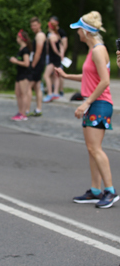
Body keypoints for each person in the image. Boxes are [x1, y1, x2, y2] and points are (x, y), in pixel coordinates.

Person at [55, 11, 118, 209]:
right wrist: (66, 76)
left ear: (86, 32)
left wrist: (86, 102)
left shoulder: (99, 50)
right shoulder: (92, 51)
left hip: (100, 104)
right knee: (91, 149)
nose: (77, 33)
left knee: (95, 148)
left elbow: (105, 81)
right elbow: (89, 77)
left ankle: (110, 191)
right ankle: (96, 190)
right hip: (94, 103)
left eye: (78, 30)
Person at [9, 30, 32, 121]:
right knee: (18, 93)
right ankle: (20, 112)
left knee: (23, 94)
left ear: (21, 38)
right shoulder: (21, 49)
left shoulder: (25, 50)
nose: (16, 39)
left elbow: (26, 63)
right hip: (19, 73)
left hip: (25, 74)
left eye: (18, 37)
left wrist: (16, 61)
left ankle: (23, 113)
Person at [27, 17, 46, 116]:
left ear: (39, 24)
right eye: (32, 26)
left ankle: (26, 109)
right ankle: (38, 108)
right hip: (39, 63)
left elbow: (38, 52)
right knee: (37, 86)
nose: (33, 27)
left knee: (29, 86)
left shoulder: (40, 36)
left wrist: (33, 65)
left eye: (34, 25)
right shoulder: (38, 35)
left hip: (38, 63)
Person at [43, 20, 62, 102]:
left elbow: (54, 48)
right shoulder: (57, 36)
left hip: (53, 58)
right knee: (55, 76)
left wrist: (57, 54)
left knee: (46, 75)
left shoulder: (51, 36)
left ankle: (50, 93)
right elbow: (60, 46)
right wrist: (61, 55)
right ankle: (56, 93)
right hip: (57, 59)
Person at [51, 16, 69, 96]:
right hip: (52, 56)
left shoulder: (61, 32)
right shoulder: (50, 32)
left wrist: (61, 54)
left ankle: (61, 89)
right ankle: (53, 88)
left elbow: (64, 43)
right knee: (52, 73)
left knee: (60, 72)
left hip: (58, 55)